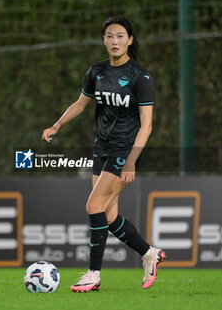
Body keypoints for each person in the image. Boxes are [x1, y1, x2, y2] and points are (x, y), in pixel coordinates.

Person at [42, 16, 165, 292]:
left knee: (93, 206)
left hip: (125, 151)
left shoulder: (140, 76)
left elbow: (147, 125)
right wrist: (57, 124)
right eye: (109, 36)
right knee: (107, 217)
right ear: (103, 40)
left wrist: (132, 160)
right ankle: (149, 254)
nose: (114, 41)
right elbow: (80, 103)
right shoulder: (96, 71)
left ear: (130, 40)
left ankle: (93, 274)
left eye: (120, 36)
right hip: (102, 149)